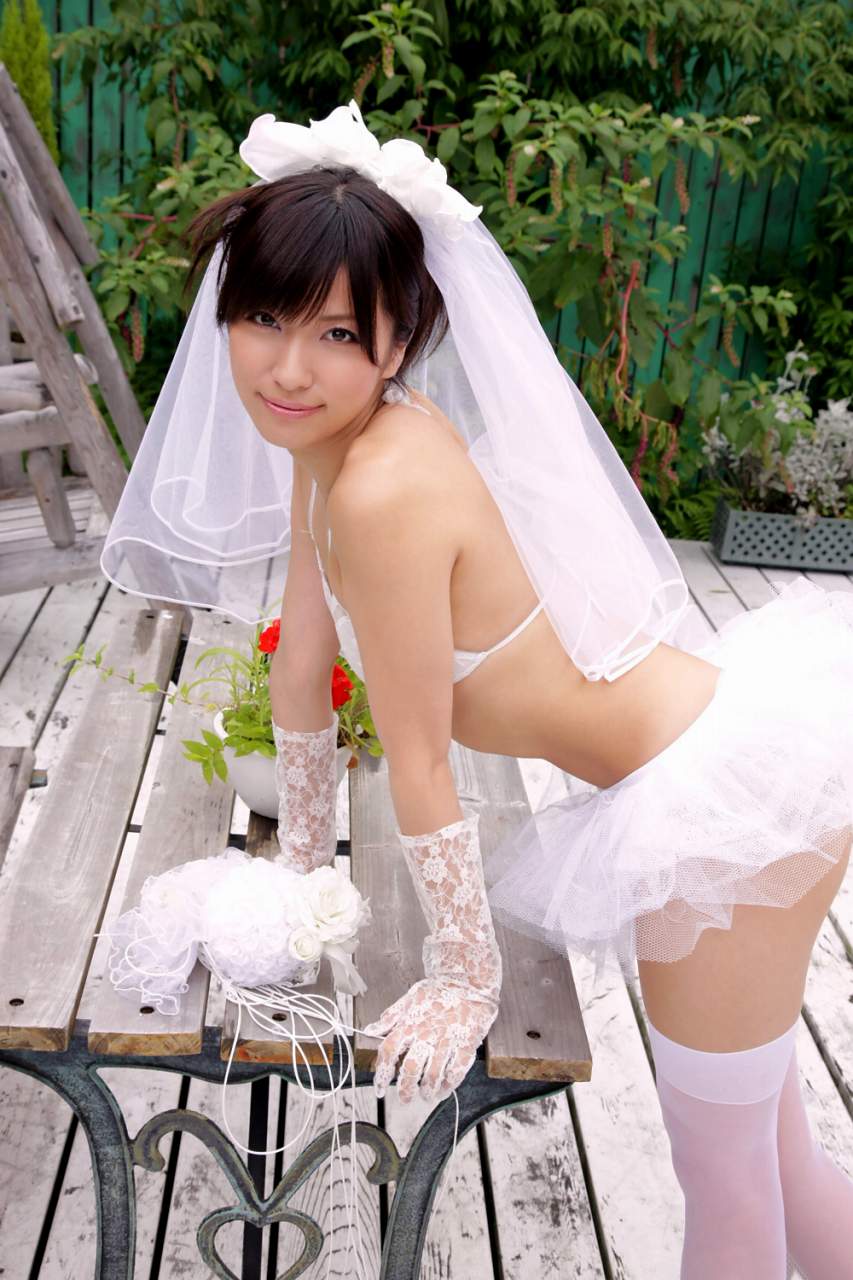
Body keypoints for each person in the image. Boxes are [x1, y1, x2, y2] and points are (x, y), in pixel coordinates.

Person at [100, 102, 853, 1279]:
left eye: (336, 332)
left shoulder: (383, 490)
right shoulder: (326, 446)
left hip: (721, 808)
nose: (288, 366)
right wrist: (303, 872)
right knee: (768, 1148)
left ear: (397, 341)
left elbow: (420, 756)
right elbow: (302, 659)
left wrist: (463, 974)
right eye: (263, 317)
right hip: (692, 764)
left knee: (723, 1174)